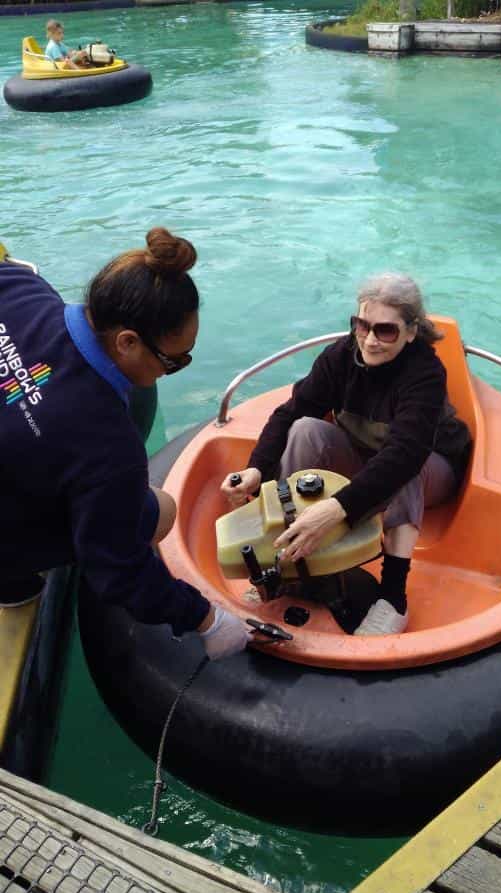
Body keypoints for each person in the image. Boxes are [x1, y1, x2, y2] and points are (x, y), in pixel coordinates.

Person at [0, 228, 250, 661]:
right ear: (127, 342)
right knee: (159, 510)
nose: (173, 370)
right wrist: (206, 618)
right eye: (174, 361)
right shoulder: (106, 445)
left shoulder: (17, 285)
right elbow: (117, 572)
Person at [221, 273, 472, 636]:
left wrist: (337, 509)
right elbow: (290, 412)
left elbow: (405, 453)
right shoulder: (339, 357)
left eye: (386, 331)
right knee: (305, 429)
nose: (370, 340)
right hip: (364, 456)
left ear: (411, 331)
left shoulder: (425, 373)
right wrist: (257, 469)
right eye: (362, 325)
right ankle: (288, 561)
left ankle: (393, 599)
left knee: (404, 469)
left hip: (432, 468)